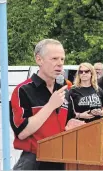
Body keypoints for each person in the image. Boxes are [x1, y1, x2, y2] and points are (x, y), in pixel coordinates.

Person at [9, 39, 84, 170]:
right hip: (34, 161)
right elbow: (22, 132)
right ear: (39, 60)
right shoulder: (23, 90)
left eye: (62, 59)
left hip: (62, 158)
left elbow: (68, 121)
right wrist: (50, 105)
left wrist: (72, 124)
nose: (60, 64)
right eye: (54, 58)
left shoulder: (64, 91)